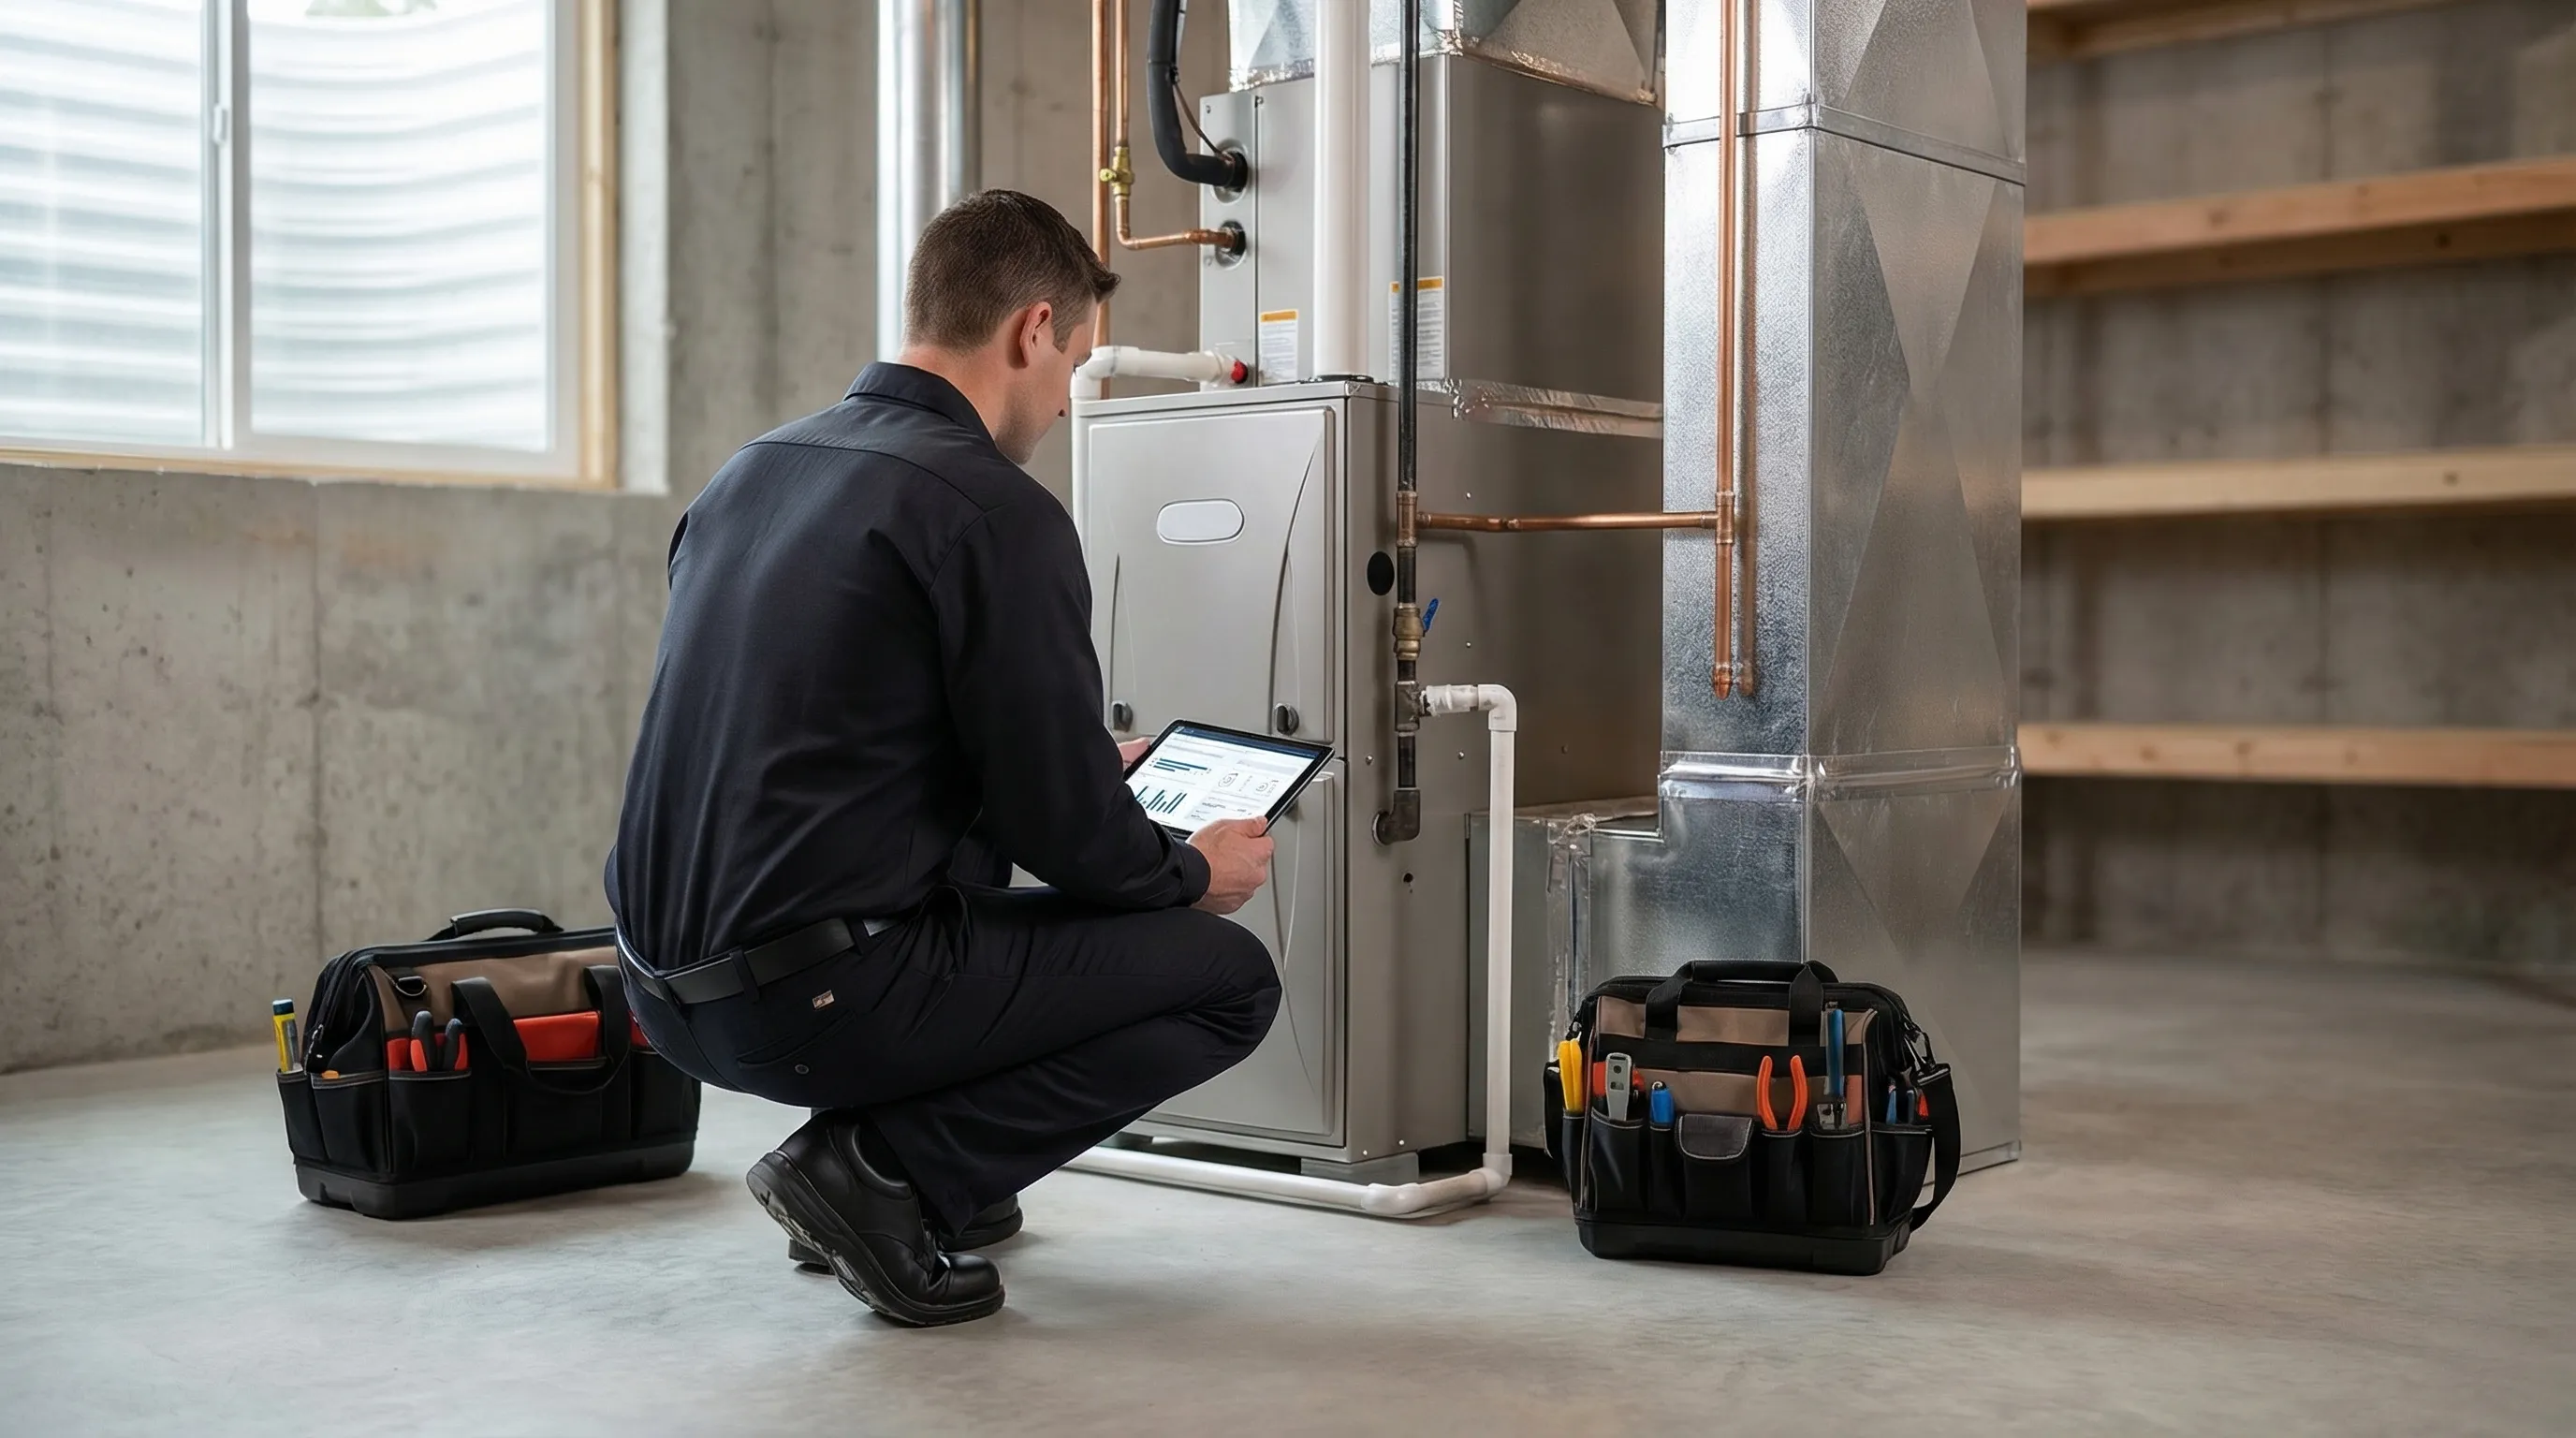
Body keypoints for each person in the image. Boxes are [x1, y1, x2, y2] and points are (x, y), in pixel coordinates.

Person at [605, 190, 1281, 1328]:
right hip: (812, 997)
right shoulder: (990, 507)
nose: (1065, 400)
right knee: (1225, 981)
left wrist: (1070, 759)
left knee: (980, 892)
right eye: (1070, 360)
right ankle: (878, 1177)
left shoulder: (753, 471)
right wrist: (1189, 869)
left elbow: (833, 743)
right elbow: (1074, 848)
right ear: (1031, 330)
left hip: (663, 992)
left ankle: (917, 1172)